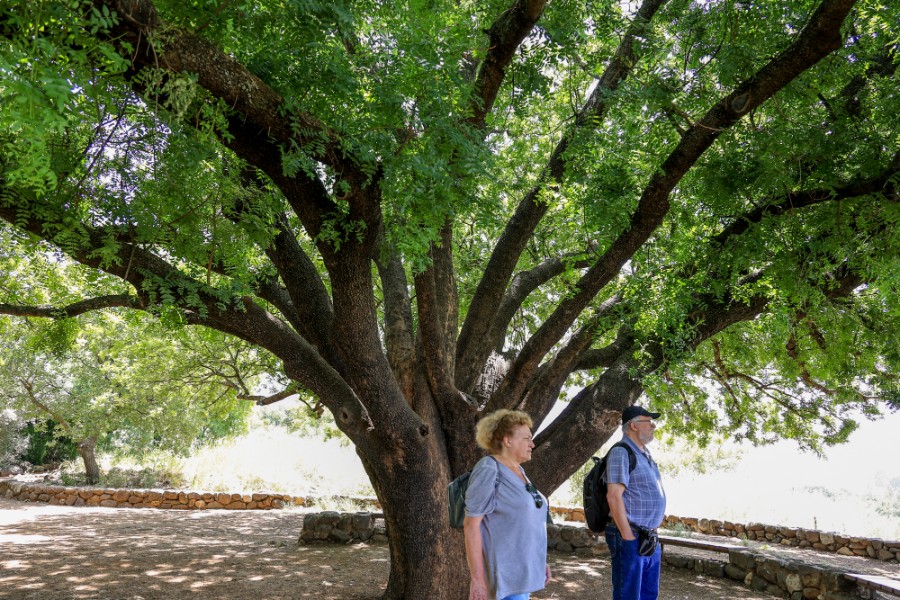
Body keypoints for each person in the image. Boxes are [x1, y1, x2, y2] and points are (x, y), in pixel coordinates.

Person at [464, 409, 552, 600]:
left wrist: (539, 562)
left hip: (520, 577)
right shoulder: (489, 468)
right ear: (507, 440)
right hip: (503, 580)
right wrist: (478, 580)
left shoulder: (518, 470)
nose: (532, 444)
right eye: (527, 438)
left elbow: (524, 522)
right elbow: (471, 525)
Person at [604, 405, 667, 600]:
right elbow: (613, 496)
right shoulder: (621, 452)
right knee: (628, 595)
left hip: (648, 537)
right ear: (633, 425)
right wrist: (628, 536)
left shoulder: (645, 454)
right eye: (648, 422)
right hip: (631, 536)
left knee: (648, 595)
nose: (653, 426)